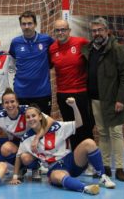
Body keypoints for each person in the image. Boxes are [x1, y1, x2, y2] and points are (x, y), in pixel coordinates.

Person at [13, 98, 116, 195]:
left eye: (33, 116)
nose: (31, 119)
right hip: (55, 167)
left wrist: (74, 106)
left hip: (71, 160)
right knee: (56, 176)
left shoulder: (57, 127)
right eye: (28, 117)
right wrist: (15, 176)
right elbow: (19, 156)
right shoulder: (26, 138)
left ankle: (103, 177)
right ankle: (84, 188)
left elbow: (79, 123)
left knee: (89, 143)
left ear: (40, 116)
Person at [82, 17, 124, 181]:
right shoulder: (89, 49)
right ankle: (106, 166)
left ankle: (120, 168)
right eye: (94, 31)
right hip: (95, 99)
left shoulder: (116, 49)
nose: (97, 33)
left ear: (107, 30)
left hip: (113, 100)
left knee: (115, 132)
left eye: (100, 30)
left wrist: (121, 99)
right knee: (102, 133)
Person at [0, 88, 53, 181]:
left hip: (32, 144)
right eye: (6, 102)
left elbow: (50, 120)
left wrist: (37, 137)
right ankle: (21, 169)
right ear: (3, 105)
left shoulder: (26, 110)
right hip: (17, 144)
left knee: (26, 158)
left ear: (17, 103)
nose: (10, 105)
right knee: (5, 149)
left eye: (12, 101)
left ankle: (35, 167)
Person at [49, 19, 95, 151]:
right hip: (62, 94)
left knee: (86, 126)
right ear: (54, 32)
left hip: (80, 92)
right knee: (70, 127)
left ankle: (90, 157)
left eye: (63, 29)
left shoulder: (81, 42)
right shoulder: (52, 48)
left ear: (69, 30)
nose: (60, 32)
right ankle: (76, 157)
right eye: (57, 30)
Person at [8, 10, 54, 115]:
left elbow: (55, 55)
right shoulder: (15, 42)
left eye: (30, 23)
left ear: (35, 24)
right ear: (20, 25)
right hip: (21, 93)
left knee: (44, 125)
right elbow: (11, 60)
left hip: (42, 92)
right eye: (24, 24)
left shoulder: (46, 40)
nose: (27, 26)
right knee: (23, 126)